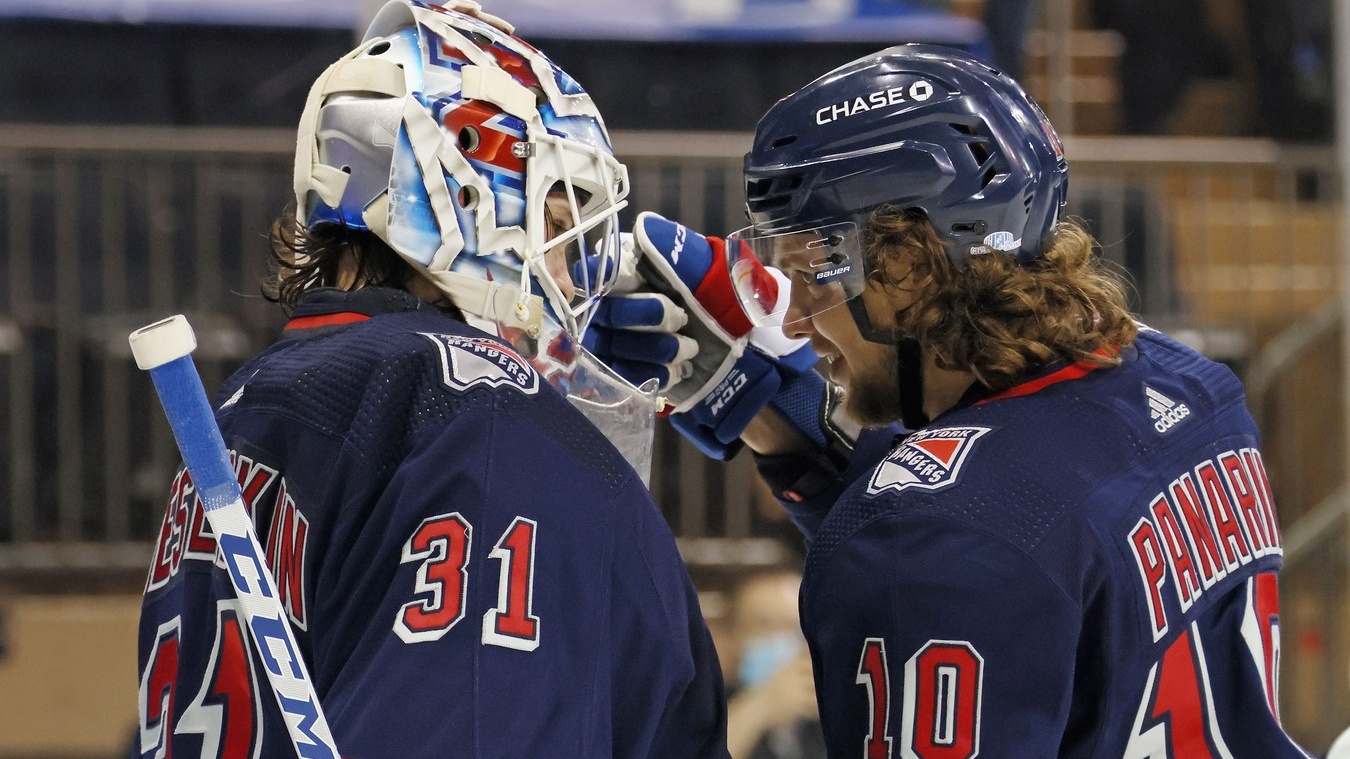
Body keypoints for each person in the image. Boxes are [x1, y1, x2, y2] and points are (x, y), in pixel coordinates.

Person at [587, 44, 1313, 756]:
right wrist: (785, 416)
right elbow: (1031, 519)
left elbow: (965, 534)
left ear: (907, 263)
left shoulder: (926, 532)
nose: (798, 316)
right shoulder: (1190, 382)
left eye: (812, 270)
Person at [131, 3, 728, 758]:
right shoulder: (483, 420)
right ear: (465, 189)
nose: (575, 267)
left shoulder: (243, 409)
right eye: (558, 208)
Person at [722, 569, 824, 759]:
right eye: (764, 626)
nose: (781, 641)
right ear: (733, 637)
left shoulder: (829, 711)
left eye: (794, 627)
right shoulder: (709, 706)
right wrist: (762, 705)